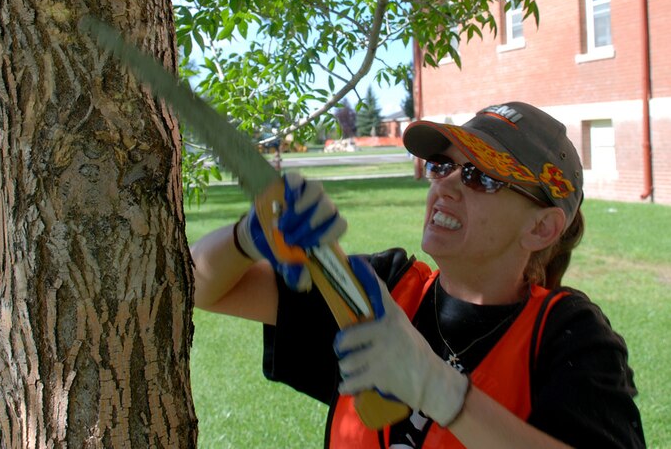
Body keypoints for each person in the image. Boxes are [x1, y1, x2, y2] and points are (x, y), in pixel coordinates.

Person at [191, 101, 645, 448]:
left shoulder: (571, 340)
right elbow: (197, 285)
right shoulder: (379, 288)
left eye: (481, 176)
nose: (445, 183)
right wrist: (247, 237)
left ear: (541, 227)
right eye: (442, 165)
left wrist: (441, 391)